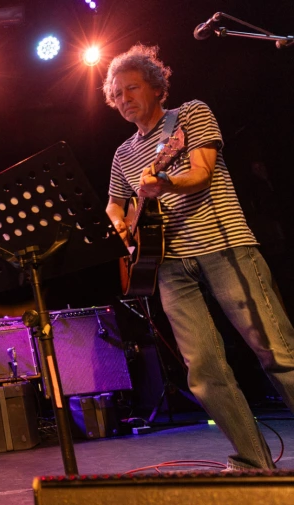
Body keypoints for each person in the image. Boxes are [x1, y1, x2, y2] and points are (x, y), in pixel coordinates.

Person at [104, 44, 294, 470]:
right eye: (116, 94)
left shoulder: (189, 114)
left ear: (155, 85)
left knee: (276, 352)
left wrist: (164, 183)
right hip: (167, 263)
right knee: (204, 372)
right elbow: (115, 203)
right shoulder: (122, 154)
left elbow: (203, 172)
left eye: (131, 88)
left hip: (224, 247)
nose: (123, 99)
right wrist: (123, 226)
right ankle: (253, 463)